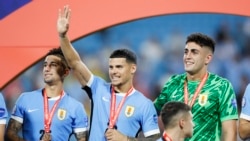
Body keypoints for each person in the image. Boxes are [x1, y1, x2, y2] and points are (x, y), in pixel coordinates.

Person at [57, 5, 160, 141]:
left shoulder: (144, 104)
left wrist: (126, 139)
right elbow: (75, 63)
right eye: (111, 67)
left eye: (119, 67)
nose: (113, 71)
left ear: (132, 69)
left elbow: (154, 139)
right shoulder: (98, 88)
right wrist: (63, 37)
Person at [154, 33, 238, 141]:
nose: (188, 56)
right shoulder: (172, 82)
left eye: (194, 52)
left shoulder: (221, 86)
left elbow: (229, 132)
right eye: (186, 52)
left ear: (207, 59)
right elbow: (149, 112)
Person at [5, 48, 88, 141]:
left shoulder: (76, 107)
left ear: (66, 72)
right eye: (45, 65)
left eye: (53, 65)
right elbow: (10, 133)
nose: (47, 69)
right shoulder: (25, 99)